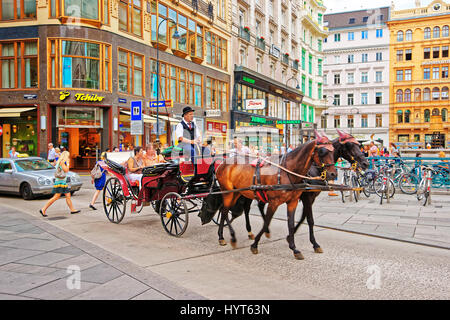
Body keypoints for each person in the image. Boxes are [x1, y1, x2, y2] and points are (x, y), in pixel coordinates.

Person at [39, 151, 80, 217]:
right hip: (61, 182)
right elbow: (66, 170)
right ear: (65, 156)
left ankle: (72, 209)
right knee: (56, 197)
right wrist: (68, 164)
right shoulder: (62, 162)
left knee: (68, 196)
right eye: (68, 156)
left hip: (61, 182)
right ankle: (43, 209)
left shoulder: (59, 162)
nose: (68, 157)